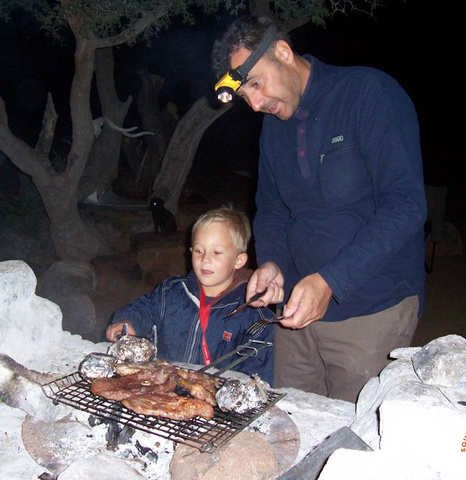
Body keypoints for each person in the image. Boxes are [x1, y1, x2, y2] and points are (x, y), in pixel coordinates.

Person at [211, 16, 427, 402]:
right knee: (294, 424)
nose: (256, 104)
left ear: (282, 52)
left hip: (370, 312)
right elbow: (272, 209)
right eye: (246, 96)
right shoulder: (275, 125)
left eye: (256, 84)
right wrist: (273, 263)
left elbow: (406, 205)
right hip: (294, 315)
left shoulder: (366, 93)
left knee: (353, 438)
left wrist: (330, 280)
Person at [106, 206, 275, 384]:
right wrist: (128, 320)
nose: (205, 259)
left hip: (216, 401)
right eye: (199, 251)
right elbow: (145, 308)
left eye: (216, 252)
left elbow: (258, 374)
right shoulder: (171, 292)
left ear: (239, 260)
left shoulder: (253, 314)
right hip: (164, 389)